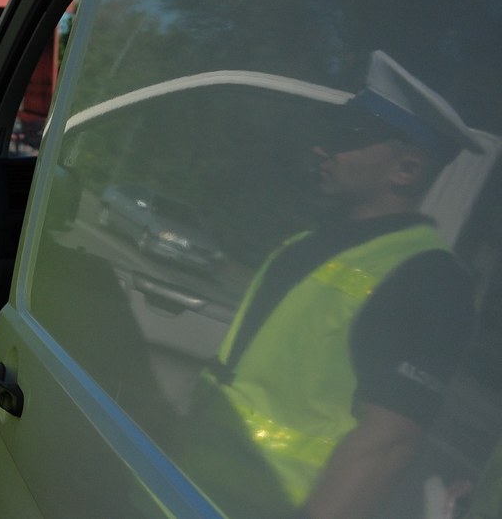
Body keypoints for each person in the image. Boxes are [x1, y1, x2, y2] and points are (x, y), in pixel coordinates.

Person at [172, 51, 480, 518]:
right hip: (181, 485)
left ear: (408, 169)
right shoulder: (308, 242)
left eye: (348, 137)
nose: (323, 148)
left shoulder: (431, 278)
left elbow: (386, 443)